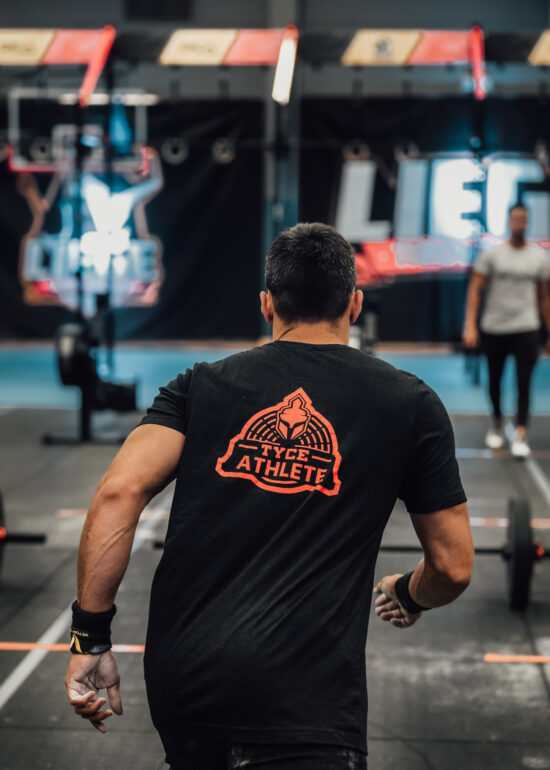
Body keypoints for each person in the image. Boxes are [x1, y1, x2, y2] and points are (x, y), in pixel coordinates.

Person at [65, 223, 474, 770]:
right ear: (355, 305)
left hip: (187, 689)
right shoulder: (410, 403)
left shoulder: (198, 385)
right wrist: (409, 593)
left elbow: (118, 492)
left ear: (266, 305)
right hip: (307, 707)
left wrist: (88, 638)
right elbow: (452, 566)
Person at [463, 203, 550, 458]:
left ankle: (521, 433)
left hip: (527, 326)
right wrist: (470, 324)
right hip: (495, 327)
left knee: (524, 383)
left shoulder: (539, 257)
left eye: (523, 219)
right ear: (509, 222)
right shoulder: (493, 255)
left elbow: (544, 297)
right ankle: (497, 423)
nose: (519, 223)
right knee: (494, 381)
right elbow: (475, 289)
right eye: (516, 219)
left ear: (527, 222)